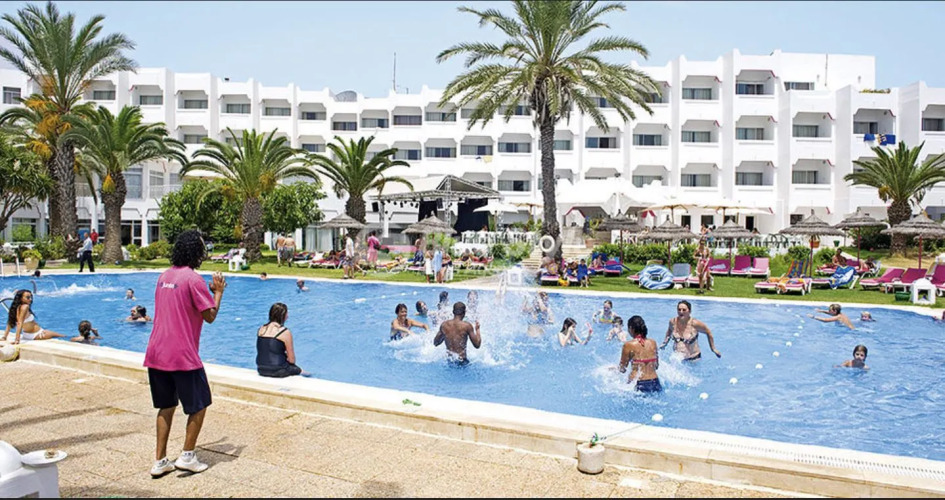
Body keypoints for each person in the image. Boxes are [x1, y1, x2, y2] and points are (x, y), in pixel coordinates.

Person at [143, 229, 226, 477]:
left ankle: (160, 461)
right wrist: (218, 292)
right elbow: (210, 316)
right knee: (199, 405)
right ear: (196, 252)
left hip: (156, 352)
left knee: (166, 406)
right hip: (182, 356)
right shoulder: (193, 279)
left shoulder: (163, 276)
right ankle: (187, 456)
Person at [256, 303, 305, 378]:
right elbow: (292, 360)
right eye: (287, 314)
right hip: (278, 370)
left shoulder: (261, 329)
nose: (288, 316)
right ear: (283, 316)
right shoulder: (285, 332)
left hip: (261, 369)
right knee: (301, 371)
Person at [618, 315, 662, 393]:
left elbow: (622, 369)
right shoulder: (653, 342)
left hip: (638, 384)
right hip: (655, 382)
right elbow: (656, 366)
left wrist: (612, 370)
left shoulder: (628, 345)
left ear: (631, 328)